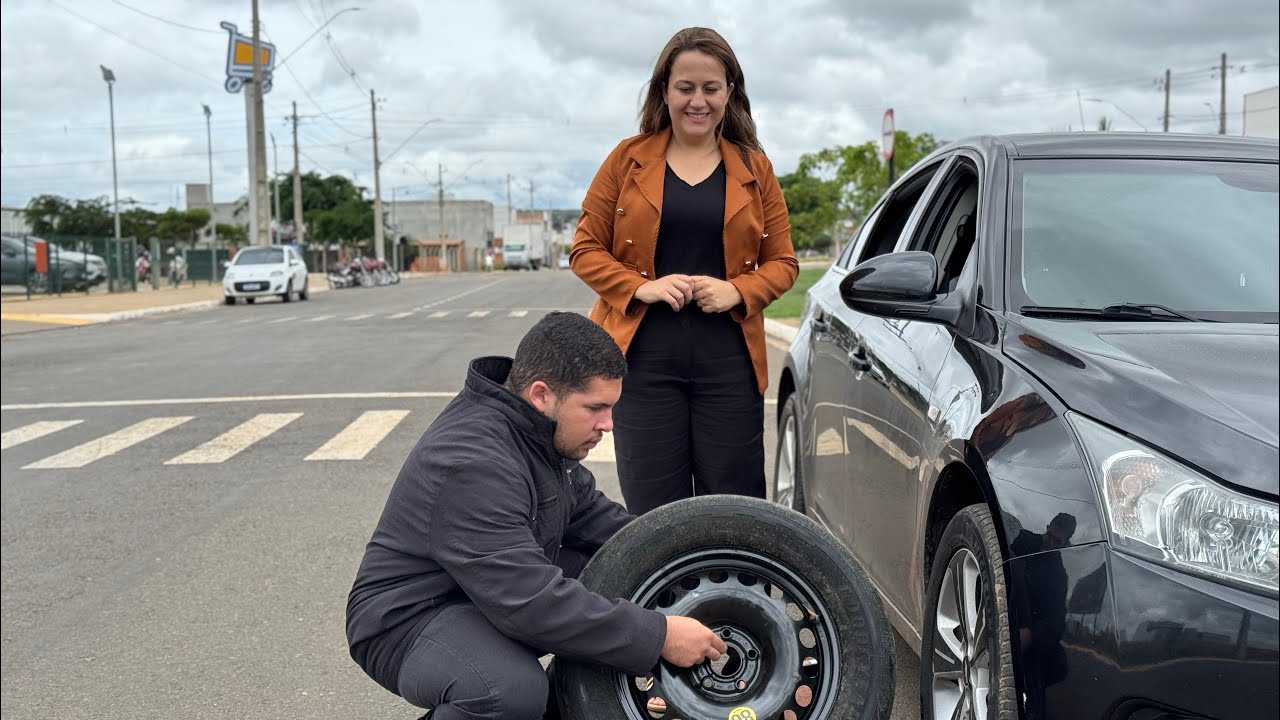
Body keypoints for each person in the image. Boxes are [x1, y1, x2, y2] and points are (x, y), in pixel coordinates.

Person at [346, 311, 726, 720]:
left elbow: (617, 534)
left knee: (616, 575)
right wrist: (659, 636)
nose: (609, 424)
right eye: (595, 407)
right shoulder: (472, 463)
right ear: (542, 395)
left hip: (481, 590)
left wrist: (708, 559)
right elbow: (528, 601)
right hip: (408, 617)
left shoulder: (540, 437)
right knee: (507, 692)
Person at [570, 27, 798, 515]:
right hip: (643, 366)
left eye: (710, 89)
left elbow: (784, 263)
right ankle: (657, 598)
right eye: (685, 88)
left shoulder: (755, 169)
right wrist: (641, 287)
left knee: (734, 513)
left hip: (730, 368)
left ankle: (731, 595)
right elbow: (585, 250)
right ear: (664, 92)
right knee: (654, 515)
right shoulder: (625, 160)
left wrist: (738, 291)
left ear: (729, 92)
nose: (698, 101)